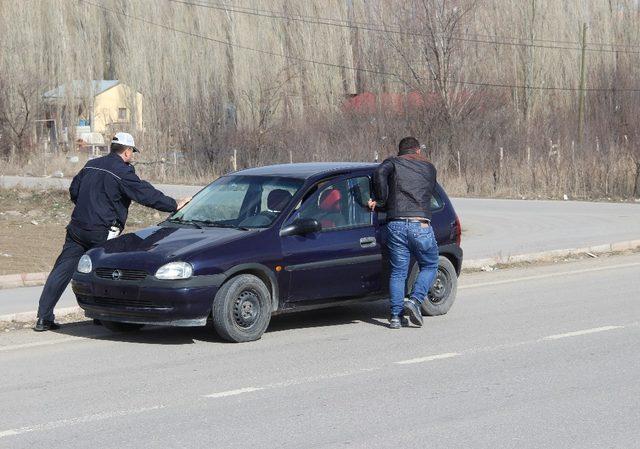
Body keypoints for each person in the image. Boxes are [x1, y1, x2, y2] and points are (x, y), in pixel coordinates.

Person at [34, 132, 190, 331]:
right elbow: (146, 194)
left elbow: (74, 190)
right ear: (126, 152)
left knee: (61, 271)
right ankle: (102, 315)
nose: (132, 156)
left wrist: (86, 207)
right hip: (102, 232)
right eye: (132, 152)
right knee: (106, 272)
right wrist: (174, 205)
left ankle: (43, 318)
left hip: (77, 228)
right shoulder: (123, 171)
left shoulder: (91, 164)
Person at [368, 137, 439, 329]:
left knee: (398, 272)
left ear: (401, 151)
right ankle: (414, 301)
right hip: (420, 224)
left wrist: (381, 200)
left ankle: (395, 317)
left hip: (395, 223)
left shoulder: (392, 163)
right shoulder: (429, 168)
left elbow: (379, 172)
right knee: (431, 264)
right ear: (417, 150)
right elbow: (429, 193)